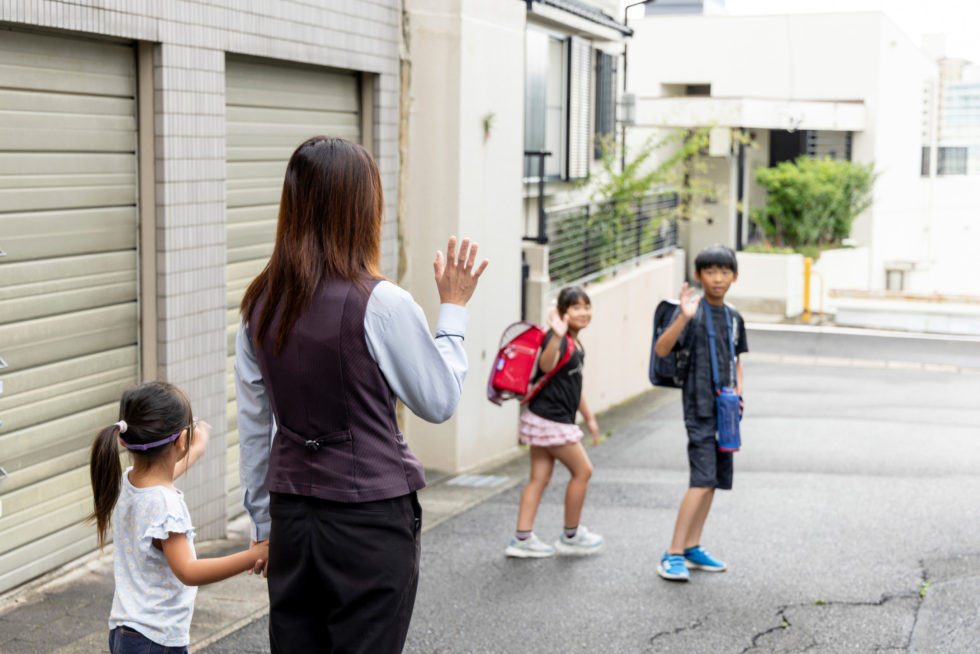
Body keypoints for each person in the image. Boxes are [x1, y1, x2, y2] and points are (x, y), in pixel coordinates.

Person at [235, 136, 488, 654]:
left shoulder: (258, 304)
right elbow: (438, 401)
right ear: (362, 207)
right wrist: (454, 310)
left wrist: (263, 523)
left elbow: (254, 424)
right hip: (369, 521)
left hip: (291, 516)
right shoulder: (383, 303)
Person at [88, 381, 270, 654]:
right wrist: (257, 553)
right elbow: (188, 571)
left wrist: (197, 447)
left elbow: (162, 474)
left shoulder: (130, 482)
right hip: (155, 640)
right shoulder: (166, 505)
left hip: (126, 631)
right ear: (181, 440)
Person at [652, 244, 748, 582]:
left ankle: (692, 547)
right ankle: (672, 553)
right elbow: (662, 349)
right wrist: (684, 318)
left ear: (734, 276)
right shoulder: (691, 311)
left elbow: (736, 359)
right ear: (698, 275)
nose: (718, 278)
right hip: (699, 409)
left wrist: (737, 395)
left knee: (713, 483)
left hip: (725, 413)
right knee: (701, 479)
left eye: (724, 272)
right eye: (710, 272)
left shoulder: (734, 317)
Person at [505, 286, 604, 558]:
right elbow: (547, 365)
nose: (583, 312)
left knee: (539, 477)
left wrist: (590, 418)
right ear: (562, 313)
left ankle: (522, 539)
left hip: (543, 417)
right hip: (551, 420)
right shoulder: (558, 338)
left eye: (586, 306)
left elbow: (574, 386)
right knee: (583, 471)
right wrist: (557, 335)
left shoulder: (573, 342)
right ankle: (570, 535)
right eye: (576, 307)